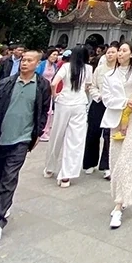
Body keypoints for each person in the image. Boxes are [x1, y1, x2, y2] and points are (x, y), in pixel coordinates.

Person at [0, 50, 51, 243]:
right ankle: (4, 205)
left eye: (30, 60)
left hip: (22, 140)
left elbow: (43, 111)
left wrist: (38, 133)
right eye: (23, 60)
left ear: (37, 64)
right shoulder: (5, 84)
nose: (25, 63)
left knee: (9, 177)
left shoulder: (42, 86)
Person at [100, 43, 132, 229]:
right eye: (118, 51)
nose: (119, 53)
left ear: (131, 54)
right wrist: (125, 101)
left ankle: (118, 206)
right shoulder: (108, 75)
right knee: (115, 160)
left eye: (123, 50)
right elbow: (107, 98)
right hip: (117, 117)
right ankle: (125, 195)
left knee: (125, 158)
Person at [43, 44, 92, 187]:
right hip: (80, 103)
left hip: (64, 101)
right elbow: (88, 85)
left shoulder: (65, 67)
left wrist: (55, 96)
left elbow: (53, 83)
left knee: (57, 135)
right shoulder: (88, 69)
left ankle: (50, 168)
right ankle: (66, 175)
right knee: (75, 140)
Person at [83, 46, 116, 177]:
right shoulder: (99, 69)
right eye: (108, 52)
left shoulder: (119, 71)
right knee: (93, 133)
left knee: (109, 135)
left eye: (113, 52)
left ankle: (107, 166)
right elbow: (92, 85)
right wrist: (98, 96)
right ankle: (89, 163)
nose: (110, 55)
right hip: (98, 103)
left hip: (112, 105)